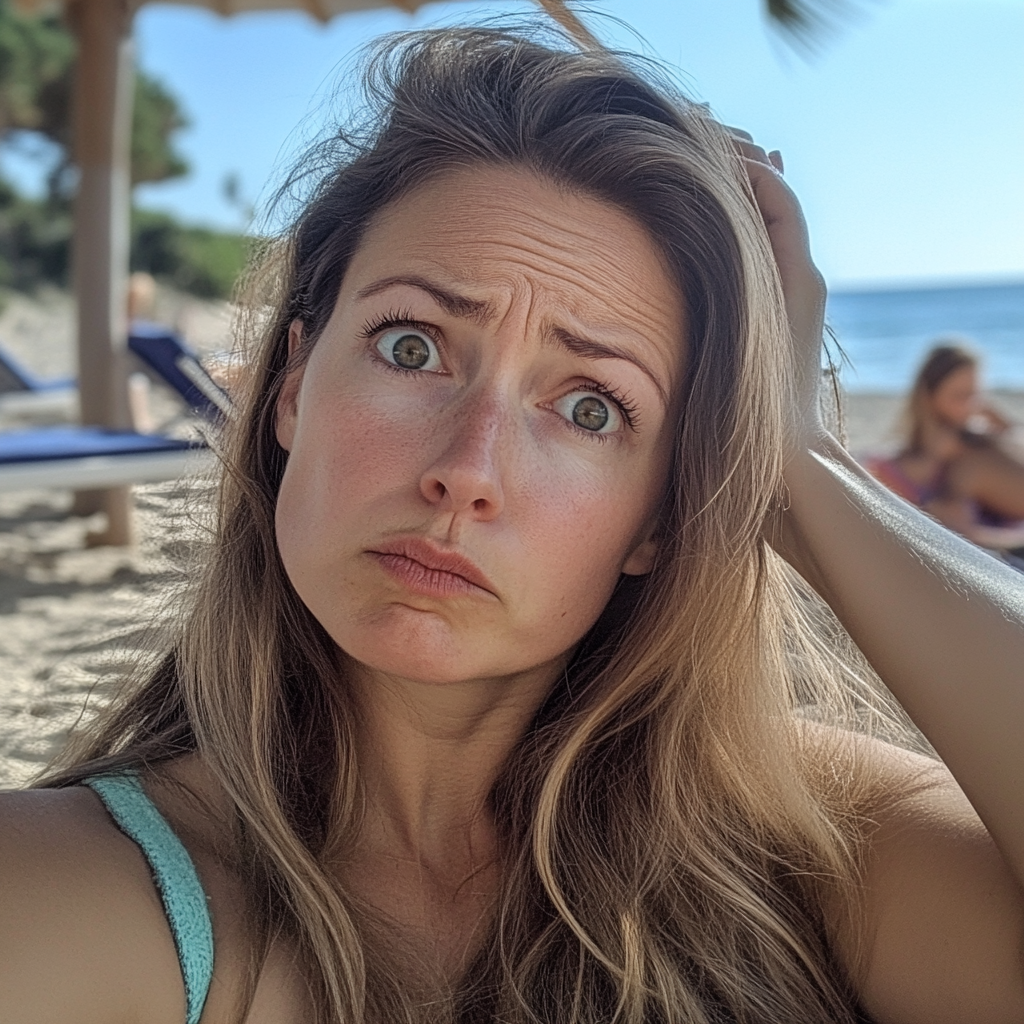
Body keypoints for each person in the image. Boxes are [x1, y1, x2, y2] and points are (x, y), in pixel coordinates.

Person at [2, 27, 1023, 1024]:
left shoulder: (808, 844)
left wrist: (798, 458)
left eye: (589, 408)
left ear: (660, 518)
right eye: (412, 347)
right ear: (293, 387)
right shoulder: (71, 887)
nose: (466, 472)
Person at [867, 342, 1024, 550]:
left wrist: (1004, 425)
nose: (971, 406)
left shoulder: (976, 442)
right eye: (960, 396)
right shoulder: (897, 465)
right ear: (928, 397)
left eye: (975, 394)